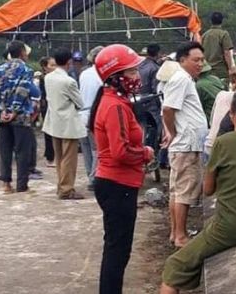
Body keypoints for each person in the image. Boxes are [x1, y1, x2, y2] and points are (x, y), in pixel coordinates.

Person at [160, 84, 236, 293]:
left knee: (174, 265)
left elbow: (207, 190)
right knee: (199, 250)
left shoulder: (223, 142)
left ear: (231, 113)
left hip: (232, 227)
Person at [89, 44, 154, 294]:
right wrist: (145, 153)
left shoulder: (113, 101)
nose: (137, 77)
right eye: (132, 73)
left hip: (117, 183)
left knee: (117, 248)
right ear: (115, 77)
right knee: (117, 251)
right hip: (117, 184)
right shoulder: (115, 106)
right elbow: (121, 151)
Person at [161, 42, 208, 248]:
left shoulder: (184, 79)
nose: (200, 64)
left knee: (178, 190)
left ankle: (175, 233)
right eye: (195, 60)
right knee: (184, 191)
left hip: (187, 142)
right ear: (182, 60)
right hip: (186, 144)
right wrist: (173, 132)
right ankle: (180, 236)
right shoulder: (180, 79)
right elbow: (168, 109)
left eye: (202, 60)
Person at [0, 41, 37, 193]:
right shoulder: (26, 69)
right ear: (22, 52)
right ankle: (22, 185)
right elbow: (22, 91)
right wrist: (15, 111)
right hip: (20, 117)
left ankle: (6, 184)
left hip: (2, 117)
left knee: (5, 150)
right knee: (22, 151)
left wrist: (0, 111)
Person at [43, 48, 86, 200]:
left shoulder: (48, 77)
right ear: (69, 62)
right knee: (69, 158)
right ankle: (67, 189)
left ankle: (61, 186)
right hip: (68, 123)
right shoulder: (69, 81)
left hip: (54, 121)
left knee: (59, 157)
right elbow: (80, 103)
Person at [79, 46, 104, 191]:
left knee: (86, 148)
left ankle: (90, 175)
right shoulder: (102, 74)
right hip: (94, 114)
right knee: (97, 149)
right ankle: (93, 179)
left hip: (82, 114)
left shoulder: (84, 73)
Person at [137, 43, 162, 165]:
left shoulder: (139, 66)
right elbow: (155, 89)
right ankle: (153, 155)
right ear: (157, 54)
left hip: (137, 102)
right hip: (151, 103)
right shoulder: (155, 68)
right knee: (157, 128)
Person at [201, 12, 235, 84]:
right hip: (220, 71)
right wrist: (230, 69)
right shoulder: (224, 34)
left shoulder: (204, 35)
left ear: (211, 21)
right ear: (222, 21)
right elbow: (227, 53)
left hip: (207, 71)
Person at [39, 56, 57, 167]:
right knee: (49, 133)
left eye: (55, 65)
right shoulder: (44, 78)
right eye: (52, 65)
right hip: (47, 107)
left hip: (54, 106)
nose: (54, 67)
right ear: (45, 67)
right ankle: (50, 158)